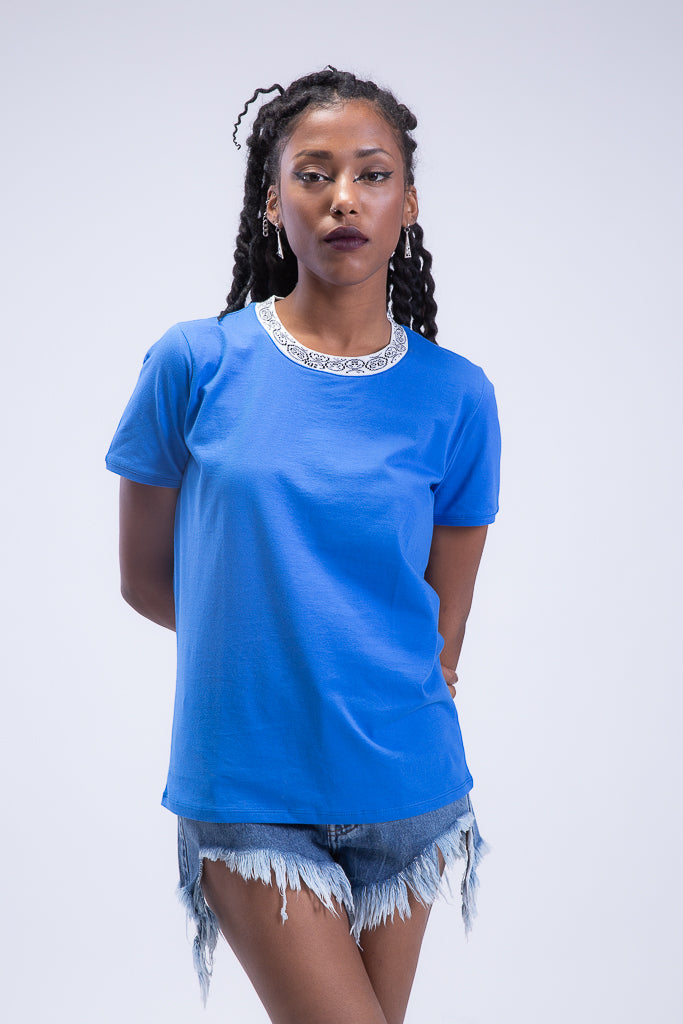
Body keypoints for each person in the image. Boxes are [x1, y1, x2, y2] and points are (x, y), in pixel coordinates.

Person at [105, 66, 501, 1024]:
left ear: (408, 203)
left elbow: (442, 626)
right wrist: (276, 657)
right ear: (272, 202)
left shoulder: (457, 394)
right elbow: (147, 581)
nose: (342, 199)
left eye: (372, 174)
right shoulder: (194, 363)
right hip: (249, 785)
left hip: (408, 784)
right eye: (313, 175)